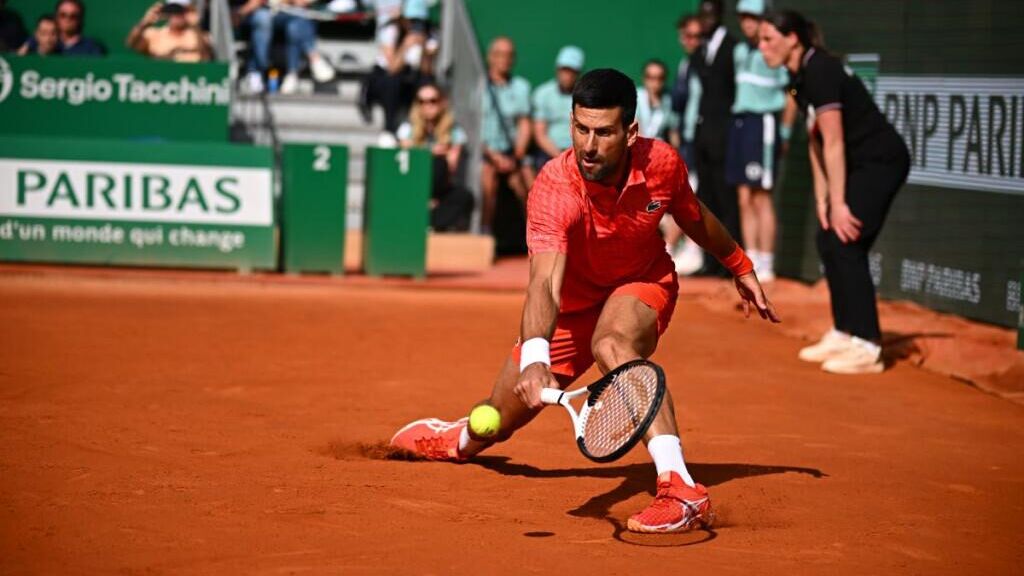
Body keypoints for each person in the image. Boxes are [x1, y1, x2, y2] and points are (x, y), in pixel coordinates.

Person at [390, 68, 779, 533]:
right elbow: (544, 283)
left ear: (630, 131)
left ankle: (680, 487)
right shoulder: (555, 187)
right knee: (499, 416)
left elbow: (693, 216)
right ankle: (460, 438)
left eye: (603, 132)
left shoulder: (662, 164)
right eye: (580, 128)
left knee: (612, 344)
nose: (589, 145)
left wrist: (740, 264)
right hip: (571, 306)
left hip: (641, 283)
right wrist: (536, 356)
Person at [759, 10, 910, 374]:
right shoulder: (799, 77)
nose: (762, 48)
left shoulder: (821, 70)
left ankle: (867, 345)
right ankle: (845, 331)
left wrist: (841, 203)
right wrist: (824, 200)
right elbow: (815, 142)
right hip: (857, 165)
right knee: (828, 239)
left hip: (881, 161)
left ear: (792, 38)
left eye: (768, 39)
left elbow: (835, 142)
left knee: (846, 240)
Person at [726, 0, 794, 282]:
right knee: (744, 197)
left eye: (753, 17)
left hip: (763, 124)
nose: (747, 23)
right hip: (740, 124)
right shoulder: (740, 51)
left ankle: (767, 262)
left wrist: (786, 132)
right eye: (743, 17)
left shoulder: (775, 52)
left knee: (761, 196)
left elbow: (792, 93)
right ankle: (751, 259)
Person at [690, 0, 738, 276]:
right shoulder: (700, 50)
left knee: (725, 200)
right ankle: (709, 262)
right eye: (703, 14)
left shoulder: (732, 48)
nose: (706, 19)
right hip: (703, 135)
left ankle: (728, 262)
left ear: (720, 15)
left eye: (710, 14)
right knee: (705, 199)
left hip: (724, 136)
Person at [396, 83, 475, 232]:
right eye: (422, 101)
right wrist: (430, 152)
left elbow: (451, 168)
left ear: (441, 102)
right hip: (413, 185)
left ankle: (427, 221)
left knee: (465, 197)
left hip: (440, 188)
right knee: (436, 160)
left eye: (432, 101)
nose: (427, 106)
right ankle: (426, 217)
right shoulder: (407, 128)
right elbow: (407, 162)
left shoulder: (454, 131)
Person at [479, 36, 533, 235]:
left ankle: (537, 234)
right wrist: (493, 156)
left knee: (529, 181)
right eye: (499, 54)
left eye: (509, 55)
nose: (505, 59)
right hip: (485, 152)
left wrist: (516, 155)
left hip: (512, 153)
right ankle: (484, 233)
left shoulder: (522, 87)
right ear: (490, 57)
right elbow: (472, 128)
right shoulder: (478, 86)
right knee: (487, 177)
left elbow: (524, 124)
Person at [667, 13, 706, 276]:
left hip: (704, 140)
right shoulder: (685, 65)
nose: (691, 40)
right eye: (687, 36)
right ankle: (679, 248)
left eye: (696, 35)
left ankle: (686, 249)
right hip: (688, 141)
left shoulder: (706, 65)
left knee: (690, 196)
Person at [359, 0, 432, 134]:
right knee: (392, 82)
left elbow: (426, 71)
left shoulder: (429, 35)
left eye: (418, 21)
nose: (414, 25)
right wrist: (406, 46)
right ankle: (390, 128)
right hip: (383, 77)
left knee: (426, 84)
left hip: (409, 77)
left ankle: (423, 129)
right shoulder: (391, 30)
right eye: (411, 20)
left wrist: (424, 51)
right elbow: (392, 68)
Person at [234, 0, 336, 95]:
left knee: (296, 24)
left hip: (284, 12)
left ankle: (292, 73)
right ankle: (256, 71)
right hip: (254, 12)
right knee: (262, 18)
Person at [530, 46, 584, 172]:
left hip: (580, 154)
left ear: (578, 73)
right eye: (564, 70)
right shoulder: (543, 93)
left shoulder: (585, 96)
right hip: (550, 153)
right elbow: (540, 134)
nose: (567, 75)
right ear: (557, 70)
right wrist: (561, 156)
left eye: (572, 71)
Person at [126, 1, 212, 63]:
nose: (177, 15)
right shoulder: (155, 35)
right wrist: (144, 23)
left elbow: (206, 57)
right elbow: (132, 44)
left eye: (181, 10)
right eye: (173, 10)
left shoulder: (199, 36)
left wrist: (196, 27)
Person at [635, 59, 679, 146]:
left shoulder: (669, 100)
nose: (655, 82)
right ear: (644, 78)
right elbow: (636, 130)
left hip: (660, 151)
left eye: (660, 78)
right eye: (650, 77)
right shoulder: (636, 98)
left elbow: (673, 134)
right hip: (638, 149)